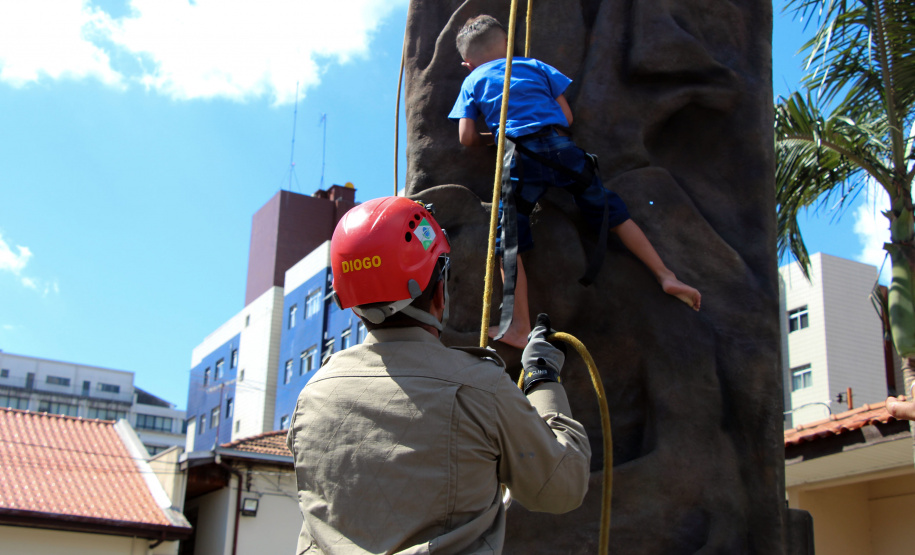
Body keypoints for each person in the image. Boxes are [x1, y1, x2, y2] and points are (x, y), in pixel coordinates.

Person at [286, 196, 591, 554]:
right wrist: (542, 378)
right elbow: (561, 486)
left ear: (351, 304)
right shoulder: (480, 388)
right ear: (439, 293)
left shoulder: (313, 397)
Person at [449, 15, 701, 349]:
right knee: (611, 211)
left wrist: (495, 137)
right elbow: (567, 117)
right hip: (562, 151)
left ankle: (520, 326)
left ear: (467, 64)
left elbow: (466, 137)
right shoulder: (535, 66)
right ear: (508, 45)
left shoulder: (472, 80)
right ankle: (666, 275)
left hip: (519, 158)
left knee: (508, 242)